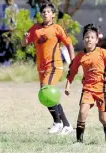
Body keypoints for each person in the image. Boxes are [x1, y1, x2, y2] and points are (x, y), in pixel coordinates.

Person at [65, 24, 106, 143]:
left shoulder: (102, 52)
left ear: (96, 40)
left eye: (92, 37)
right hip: (88, 89)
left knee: (103, 118)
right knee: (82, 112)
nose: (89, 39)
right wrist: (67, 85)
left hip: (102, 89)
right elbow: (72, 71)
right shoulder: (80, 56)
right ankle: (79, 141)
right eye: (86, 37)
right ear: (83, 39)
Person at [21, 3, 75, 135]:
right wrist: (24, 37)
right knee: (45, 96)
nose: (45, 14)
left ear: (53, 14)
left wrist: (73, 62)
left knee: (46, 91)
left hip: (54, 65)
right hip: (41, 67)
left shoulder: (57, 28)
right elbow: (23, 44)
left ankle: (65, 124)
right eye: (43, 12)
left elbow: (69, 44)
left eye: (48, 12)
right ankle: (58, 122)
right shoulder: (35, 28)